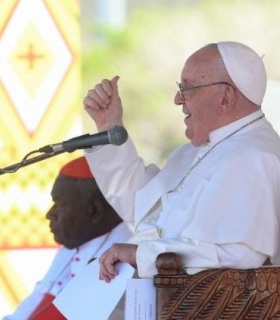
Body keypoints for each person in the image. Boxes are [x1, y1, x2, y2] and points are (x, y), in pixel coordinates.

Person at [83, 41, 280, 285]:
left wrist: (140, 254)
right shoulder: (191, 152)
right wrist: (109, 126)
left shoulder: (255, 157)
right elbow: (140, 208)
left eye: (187, 89)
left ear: (225, 98)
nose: (178, 99)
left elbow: (238, 256)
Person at [4, 156, 132, 319]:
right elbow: (39, 296)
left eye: (59, 204)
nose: (49, 214)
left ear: (94, 210)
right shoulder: (71, 247)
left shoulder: (125, 254)